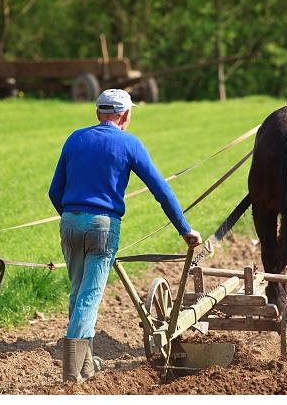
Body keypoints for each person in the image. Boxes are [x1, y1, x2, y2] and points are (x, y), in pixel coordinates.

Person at [49, 89, 202, 383]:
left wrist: (72, 216)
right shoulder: (129, 143)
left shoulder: (75, 138)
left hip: (69, 221)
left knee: (78, 291)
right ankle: (71, 372)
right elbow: (160, 190)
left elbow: (55, 191)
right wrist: (184, 229)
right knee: (89, 297)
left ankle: (85, 366)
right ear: (126, 115)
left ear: (98, 113)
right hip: (103, 227)